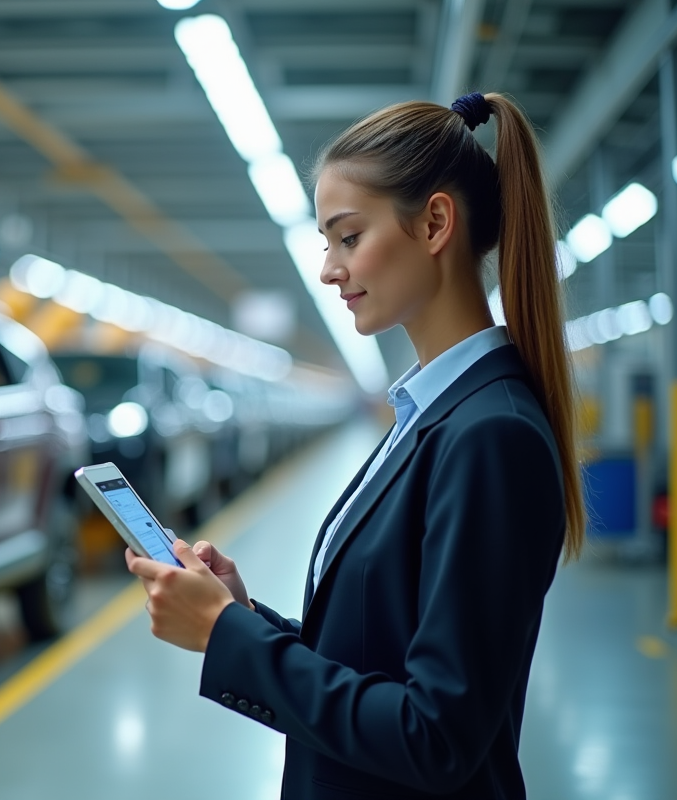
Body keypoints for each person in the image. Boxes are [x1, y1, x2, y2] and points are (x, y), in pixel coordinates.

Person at [126, 92, 585, 800]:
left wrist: (228, 639)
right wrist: (243, 615)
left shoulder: (492, 435)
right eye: (326, 243)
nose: (328, 269)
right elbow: (380, 652)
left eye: (347, 237)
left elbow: (434, 735)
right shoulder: (428, 414)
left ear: (434, 223)